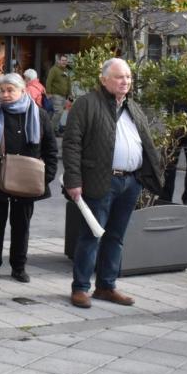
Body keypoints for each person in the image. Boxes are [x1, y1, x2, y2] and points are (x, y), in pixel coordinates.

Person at [63, 57, 163, 309]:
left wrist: (150, 175)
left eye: (128, 77)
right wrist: (73, 180)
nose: (125, 81)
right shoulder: (87, 104)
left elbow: (146, 143)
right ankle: (81, 288)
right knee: (91, 235)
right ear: (104, 79)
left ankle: (106, 286)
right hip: (100, 180)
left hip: (130, 181)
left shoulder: (133, 107)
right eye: (119, 77)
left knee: (116, 236)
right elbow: (72, 143)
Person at [0, 73, 57, 283]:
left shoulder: (39, 114)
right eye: (3, 90)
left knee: (22, 225)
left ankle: (19, 267)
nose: (6, 94)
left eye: (11, 90)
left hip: (27, 179)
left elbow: (51, 150)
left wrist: (45, 178)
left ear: (23, 91)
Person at [46, 55, 72, 132]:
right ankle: (50, 130)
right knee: (59, 112)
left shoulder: (66, 71)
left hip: (64, 96)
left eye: (65, 60)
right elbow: (49, 81)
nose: (64, 62)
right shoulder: (54, 70)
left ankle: (56, 130)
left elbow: (68, 83)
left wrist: (70, 94)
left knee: (59, 114)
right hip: (56, 95)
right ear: (59, 61)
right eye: (63, 60)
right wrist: (48, 92)